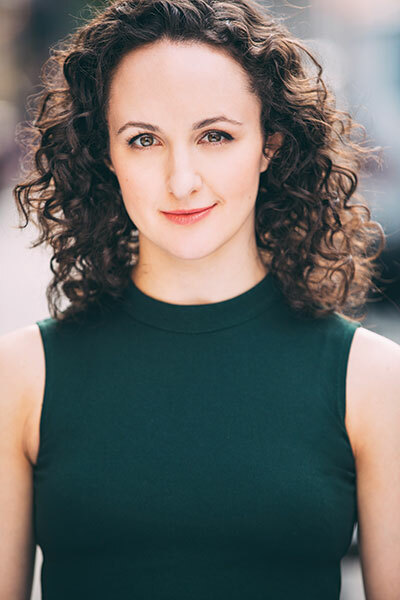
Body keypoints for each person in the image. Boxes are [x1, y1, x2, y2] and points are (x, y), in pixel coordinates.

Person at [1, 0, 399, 598]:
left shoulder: (372, 381)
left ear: (270, 144)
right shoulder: (21, 377)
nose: (181, 179)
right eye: (143, 140)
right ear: (105, 154)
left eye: (215, 135)